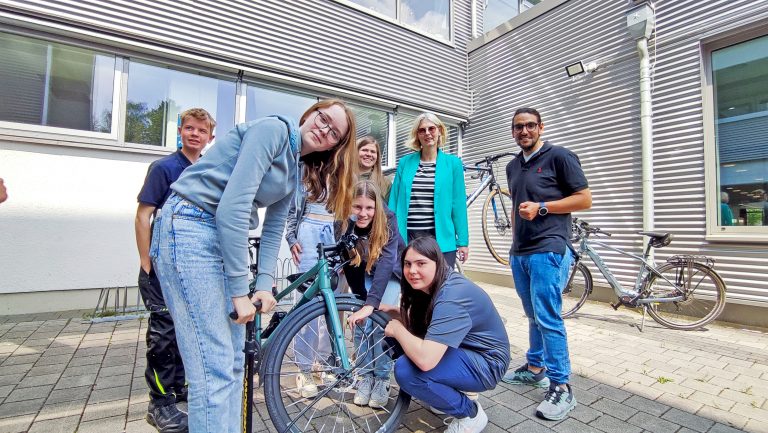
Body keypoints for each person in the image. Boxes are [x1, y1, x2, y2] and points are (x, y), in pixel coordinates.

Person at [150, 99, 357, 433]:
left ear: (336, 146)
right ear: (309, 115)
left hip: (214, 234)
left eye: (334, 132)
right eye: (323, 119)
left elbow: (274, 227)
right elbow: (233, 207)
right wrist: (238, 292)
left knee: (232, 363)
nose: (324, 129)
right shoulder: (274, 130)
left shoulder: (295, 166)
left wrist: (263, 284)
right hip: (189, 225)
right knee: (213, 368)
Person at [503, 107, 591, 421]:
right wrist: (513, 247)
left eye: (529, 126)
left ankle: (561, 386)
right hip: (521, 252)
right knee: (532, 314)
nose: (523, 131)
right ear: (513, 132)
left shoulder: (560, 157)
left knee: (548, 316)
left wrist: (542, 207)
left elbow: (584, 199)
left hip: (549, 248)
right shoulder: (513, 166)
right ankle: (535, 367)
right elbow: (516, 207)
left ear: (540, 127)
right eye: (517, 127)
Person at [135, 108, 215, 432]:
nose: (195, 134)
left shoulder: (208, 171)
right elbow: (143, 216)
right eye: (189, 128)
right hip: (160, 267)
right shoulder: (164, 168)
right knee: (164, 333)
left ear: (211, 136)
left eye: (201, 130)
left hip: (190, 268)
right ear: (180, 131)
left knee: (186, 328)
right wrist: (146, 261)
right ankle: (160, 404)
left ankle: (179, 387)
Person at [383, 237, 509, 433]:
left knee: (407, 370)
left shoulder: (452, 296)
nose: (412, 271)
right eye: (407, 264)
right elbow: (429, 323)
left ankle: (471, 414)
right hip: (465, 350)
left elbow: (425, 360)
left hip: (488, 364)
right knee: (397, 339)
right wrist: (392, 312)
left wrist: (398, 329)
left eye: (421, 263)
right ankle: (446, 395)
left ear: (437, 262)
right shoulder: (436, 284)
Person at [284, 122, 359, 398]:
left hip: (334, 238)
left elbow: (350, 213)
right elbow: (291, 208)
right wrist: (292, 239)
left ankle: (322, 363)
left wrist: (348, 242)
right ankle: (303, 369)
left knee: (331, 304)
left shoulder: (344, 173)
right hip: (308, 233)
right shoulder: (305, 168)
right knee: (307, 304)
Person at [342, 180, 405, 408]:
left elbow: (388, 262)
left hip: (390, 273)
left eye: (369, 208)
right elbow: (348, 261)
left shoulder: (388, 219)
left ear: (376, 207)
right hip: (364, 270)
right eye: (357, 207)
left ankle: (381, 378)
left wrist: (372, 303)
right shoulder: (344, 220)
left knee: (379, 325)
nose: (363, 213)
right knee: (361, 325)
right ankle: (364, 375)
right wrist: (361, 300)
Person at [388, 113, 468, 269]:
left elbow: (458, 204)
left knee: (441, 286)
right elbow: (393, 201)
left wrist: (463, 242)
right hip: (408, 237)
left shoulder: (453, 164)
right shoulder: (405, 163)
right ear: (417, 135)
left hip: (440, 238)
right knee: (412, 285)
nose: (427, 133)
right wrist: (388, 235)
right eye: (422, 130)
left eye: (431, 128)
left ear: (439, 131)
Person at [357, 136, 391, 201]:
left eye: (373, 152)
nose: (369, 154)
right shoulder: (343, 178)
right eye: (364, 150)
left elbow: (388, 210)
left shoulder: (385, 183)